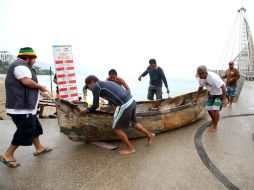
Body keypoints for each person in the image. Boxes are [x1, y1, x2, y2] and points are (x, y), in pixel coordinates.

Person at [0, 47, 52, 168]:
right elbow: (26, 82)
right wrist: (40, 87)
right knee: (26, 130)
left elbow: (28, 86)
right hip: (20, 108)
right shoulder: (20, 66)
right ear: (27, 58)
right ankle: (8, 154)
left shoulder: (24, 66)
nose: (35, 61)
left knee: (35, 128)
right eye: (34, 58)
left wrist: (40, 92)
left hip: (27, 107)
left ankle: (39, 148)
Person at [79, 75, 155, 155]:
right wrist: (86, 87)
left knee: (116, 128)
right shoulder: (104, 82)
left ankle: (130, 148)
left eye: (89, 87)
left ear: (91, 83)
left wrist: (86, 111)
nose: (90, 89)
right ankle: (149, 135)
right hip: (131, 100)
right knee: (134, 124)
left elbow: (95, 106)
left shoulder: (96, 87)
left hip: (124, 104)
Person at [193, 65, 227, 132]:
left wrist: (224, 99)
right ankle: (214, 120)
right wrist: (196, 97)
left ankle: (215, 126)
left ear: (205, 73)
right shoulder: (200, 78)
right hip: (211, 93)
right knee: (208, 109)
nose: (198, 75)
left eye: (200, 73)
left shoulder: (213, 78)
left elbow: (223, 87)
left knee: (215, 109)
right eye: (198, 73)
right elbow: (200, 87)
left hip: (219, 94)